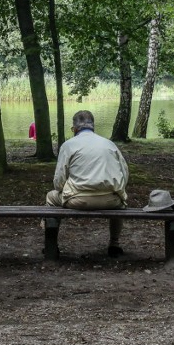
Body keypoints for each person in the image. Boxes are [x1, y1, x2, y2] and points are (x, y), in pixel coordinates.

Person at [46, 110, 129, 257]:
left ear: (75, 128)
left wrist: (64, 188)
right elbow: (124, 172)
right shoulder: (109, 144)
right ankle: (114, 244)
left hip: (79, 200)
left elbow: (59, 181)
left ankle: (51, 245)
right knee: (120, 201)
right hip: (111, 200)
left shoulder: (68, 145)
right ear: (93, 127)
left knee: (51, 197)